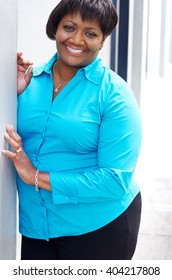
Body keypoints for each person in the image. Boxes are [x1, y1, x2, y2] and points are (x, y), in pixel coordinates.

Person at [2, 0, 142, 260]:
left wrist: (35, 176)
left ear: (102, 41)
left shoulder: (115, 95)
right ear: (55, 28)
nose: (77, 40)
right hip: (37, 226)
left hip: (98, 226)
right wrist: (10, 93)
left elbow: (114, 180)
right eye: (69, 27)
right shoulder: (28, 81)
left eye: (90, 33)